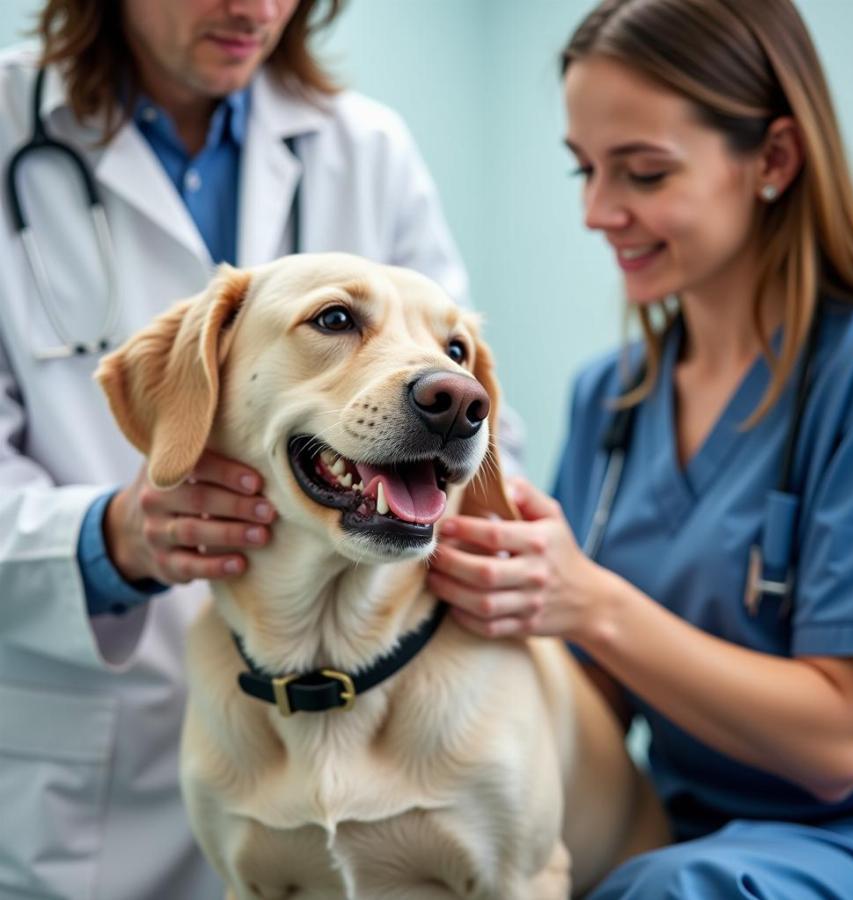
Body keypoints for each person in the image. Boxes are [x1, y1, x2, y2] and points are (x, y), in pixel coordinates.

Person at [0, 2, 524, 898]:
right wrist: (110, 539)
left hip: (388, 716)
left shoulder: (367, 147)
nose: (255, 9)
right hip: (94, 773)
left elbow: (454, 403)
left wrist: (516, 557)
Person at [428, 0, 853, 896]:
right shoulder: (612, 395)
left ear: (773, 160)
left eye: (643, 173)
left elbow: (841, 744)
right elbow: (588, 696)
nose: (599, 213)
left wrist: (587, 601)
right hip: (668, 826)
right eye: (585, 171)